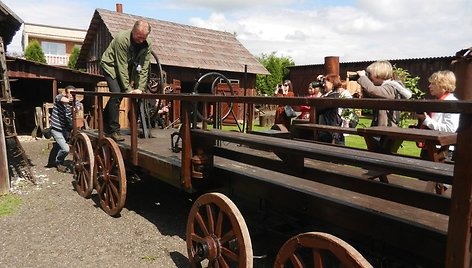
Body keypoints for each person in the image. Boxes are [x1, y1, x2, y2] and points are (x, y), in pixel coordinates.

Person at [101, 20, 152, 142]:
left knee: (121, 95)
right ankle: (114, 130)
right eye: (138, 37)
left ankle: (105, 119)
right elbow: (121, 65)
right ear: (133, 31)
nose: (140, 41)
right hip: (110, 66)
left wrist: (140, 88)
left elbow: (144, 67)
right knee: (117, 93)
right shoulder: (122, 39)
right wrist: (129, 90)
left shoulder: (147, 44)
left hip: (127, 67)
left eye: (143, 38)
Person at [417, 70, 459, 193]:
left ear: (444, 85)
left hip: (441, 150)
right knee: (425, 179)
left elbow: (450, 129)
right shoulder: (440, 101)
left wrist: (426, 121)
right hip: (430, 146)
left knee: (436, 182)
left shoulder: (451, 103)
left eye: (433, 84)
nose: (429, 86)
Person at [356, 60, 412, 127]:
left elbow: (372, 90)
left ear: (378, 75)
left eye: (370, 74)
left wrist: (363, 77)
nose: (369, 77)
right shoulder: (385, 88)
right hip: (382, 127)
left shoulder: (390, 88)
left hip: (387, 128)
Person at [46, 85, 76, 173]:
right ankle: (59, 163)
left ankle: (51, 162)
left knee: (57, 146)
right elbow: (62, 99)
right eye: (69, 93)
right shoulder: (59, 98)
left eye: (73, 94)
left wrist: (75, 108)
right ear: (66, 93)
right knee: (66, 149)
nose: (71, 95)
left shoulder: (75, 102)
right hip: (56, 129)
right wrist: (70, 102)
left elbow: (77, 108)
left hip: (64, 130)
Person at [315, 74, 343, 144]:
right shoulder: (328, 95)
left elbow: (318, 107)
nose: (323, 85)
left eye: (325, 83)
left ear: (333, 84)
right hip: (324, 131)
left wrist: (319, 96)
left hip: (328, 132)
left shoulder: (334, 96)